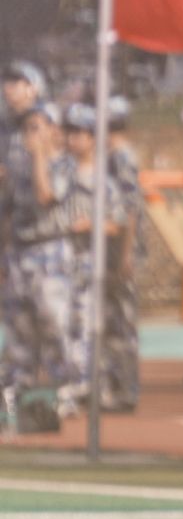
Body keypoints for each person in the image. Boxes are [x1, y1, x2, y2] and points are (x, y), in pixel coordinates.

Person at [59, 103, 144, 412]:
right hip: (81, 257)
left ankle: (122, 388)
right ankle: (102, 385)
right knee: (91, 323)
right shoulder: (68, 170)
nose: (72, 138)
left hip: (108, 253)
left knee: (116, 323)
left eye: (80, 132)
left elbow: (127, 211)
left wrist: (126, 254)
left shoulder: (118, 161)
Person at [2, 102, 78, 407]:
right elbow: (7, 212)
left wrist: (38, 156)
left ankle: (65, 386)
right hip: (19, 252)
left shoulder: (65, 165)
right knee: (18, 322)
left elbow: (46, 196)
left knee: (53, 320)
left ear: (53, 131)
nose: (29, 134)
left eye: (36, 127)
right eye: (26, 128)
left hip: (50, 250)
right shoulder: (17, 167)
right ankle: (18, 384)